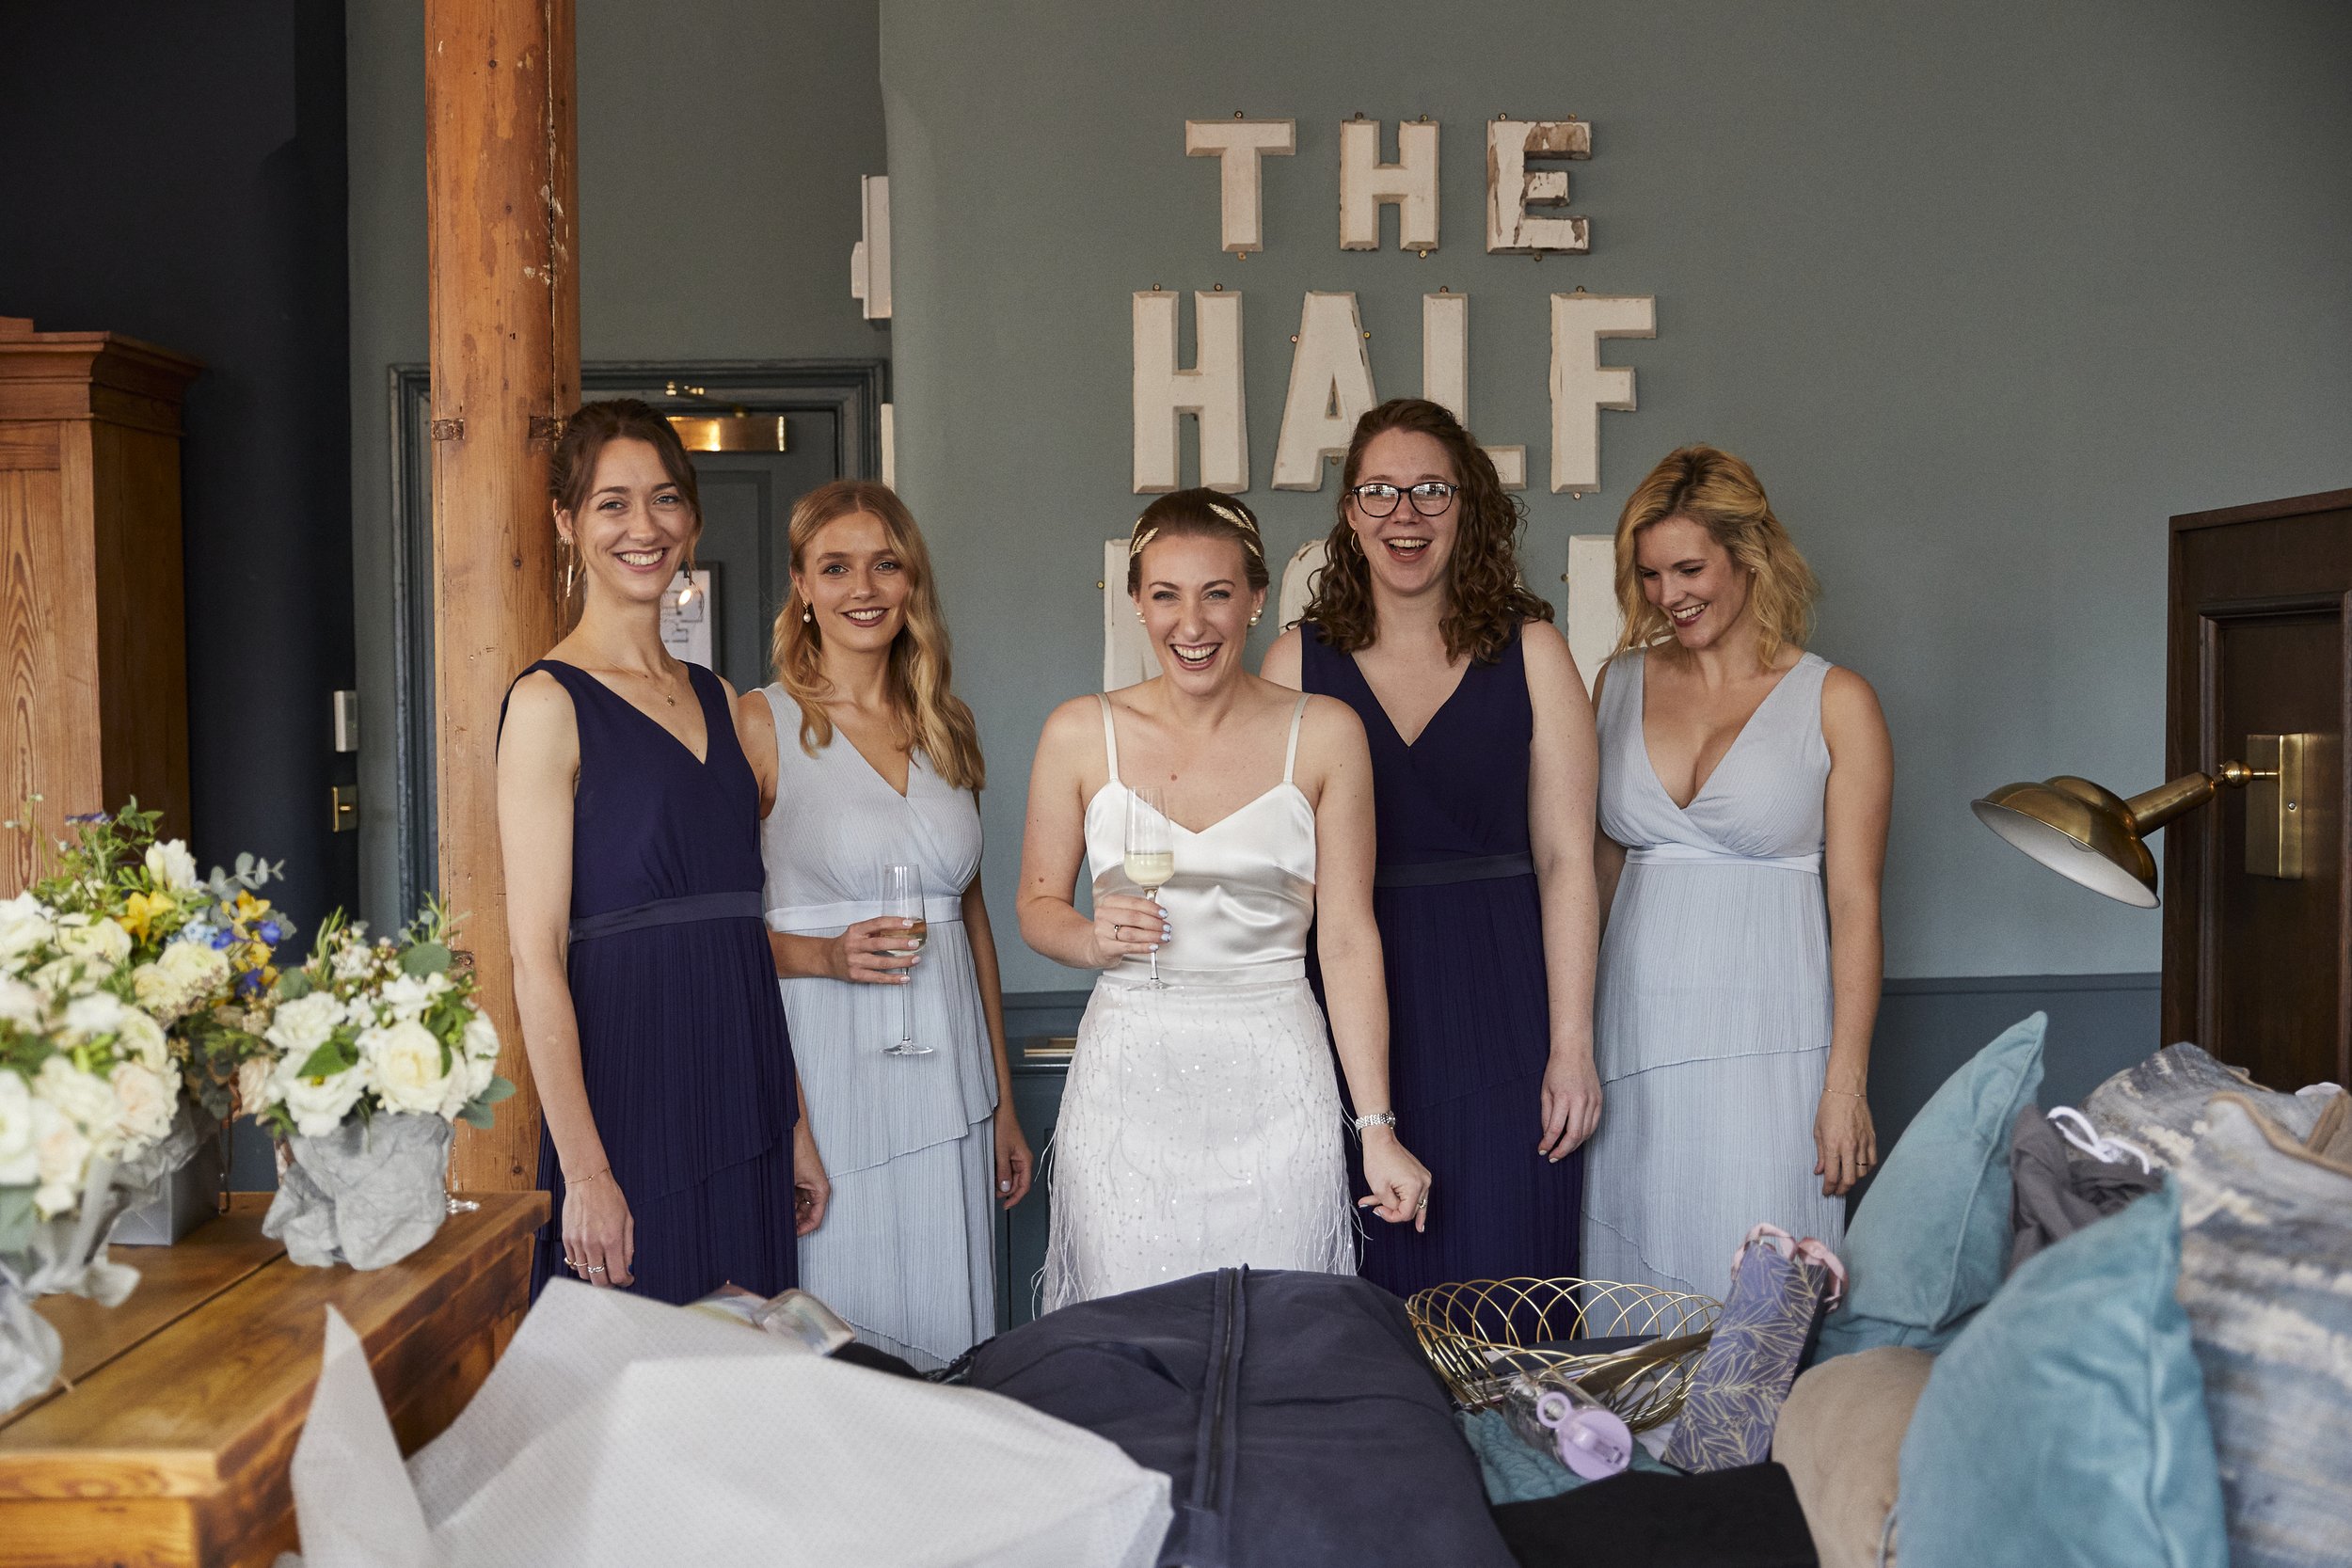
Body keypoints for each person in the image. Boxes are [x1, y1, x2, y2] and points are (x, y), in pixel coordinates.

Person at [1018, 488, 1433, 1310]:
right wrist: (1094, 941)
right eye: (1166, 594)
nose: (1192, 622)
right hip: (1130, 1078)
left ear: (1256, 597)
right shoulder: (1077, 732)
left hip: (1277, 1074)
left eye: (1216, 593)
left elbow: (1348, 938)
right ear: (1136, 601)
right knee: (1134, 1341)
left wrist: (1377, 1130)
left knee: (1283, 1338)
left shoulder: (1325, 732)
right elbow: (1037, 906)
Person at [1264, 398, 1601, 1299]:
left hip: (1506, 1004)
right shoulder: (1297, 662)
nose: (1403, 515)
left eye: (1429, 491)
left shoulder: (1533, 651)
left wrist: (1570, 1043)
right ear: (1348, 512)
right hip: (1348, 1009)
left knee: (1510, 1280)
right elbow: (1277, 879)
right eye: (1378, 490)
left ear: (1468, 508)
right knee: (1369, 1301)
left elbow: (1569, 859)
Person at [498, 398, 828, 1305]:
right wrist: (588, 1173)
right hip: (628, 1094)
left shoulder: (727, 701)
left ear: (691, 518)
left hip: (744, 1085)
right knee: (636, 1389)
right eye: (612, 503)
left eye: (664, 499)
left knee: (749, 1390)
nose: (643, 527)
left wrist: (790, 1122)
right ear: (567, 523)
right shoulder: (547, 703)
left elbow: (745, 931)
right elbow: (535, 959)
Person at [1582, 444, 1891, 1296]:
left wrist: (1847, 1085)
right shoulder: (1615, 683)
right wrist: (1566, 1035)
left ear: (1749, 555)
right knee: (1635, 1290)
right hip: (1632, 1037)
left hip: (1774, 1046)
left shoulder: (1837, 702)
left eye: (1689, 568)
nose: (1669, 595)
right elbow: (1592, 881)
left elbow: (1858, 908)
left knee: (1761, 1285)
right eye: (1649, 575)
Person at [738, 480, 1033, 1370]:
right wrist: (822, 951)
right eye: (836, 567)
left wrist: (1005, 1105)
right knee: (844, 1322)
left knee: (955, 1329)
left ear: (912, 583)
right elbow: (715, 934)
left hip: (952, 1074)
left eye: (885, 564)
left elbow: (972, 923)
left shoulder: (948, 724)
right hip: (826, 1076)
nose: (862, 587)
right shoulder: (762, 723)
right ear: (802, 585)